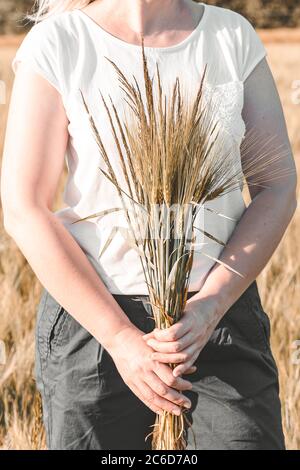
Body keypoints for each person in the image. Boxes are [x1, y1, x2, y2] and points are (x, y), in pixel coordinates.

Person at [1, 0, 297, 450]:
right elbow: (24, 207)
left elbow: (276, 187)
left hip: (218, 319)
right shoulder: (60, 43)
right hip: (94, 324)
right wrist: (120, 339)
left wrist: (210, 307)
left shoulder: (230, 36)